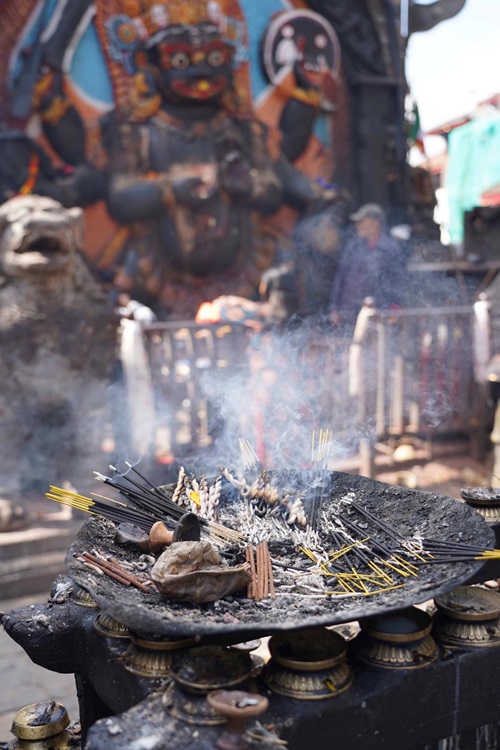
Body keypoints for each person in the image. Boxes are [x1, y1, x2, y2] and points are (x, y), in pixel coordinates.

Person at [328, 203, 404, 327]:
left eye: (362, 221)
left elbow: (397, 281)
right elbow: (340, 278)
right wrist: (334, 308)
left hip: (379, 313)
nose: (357, 225)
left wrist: (394, 308)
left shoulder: (390, 249)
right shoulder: (352, 246)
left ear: (375, 223)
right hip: (348, 313)